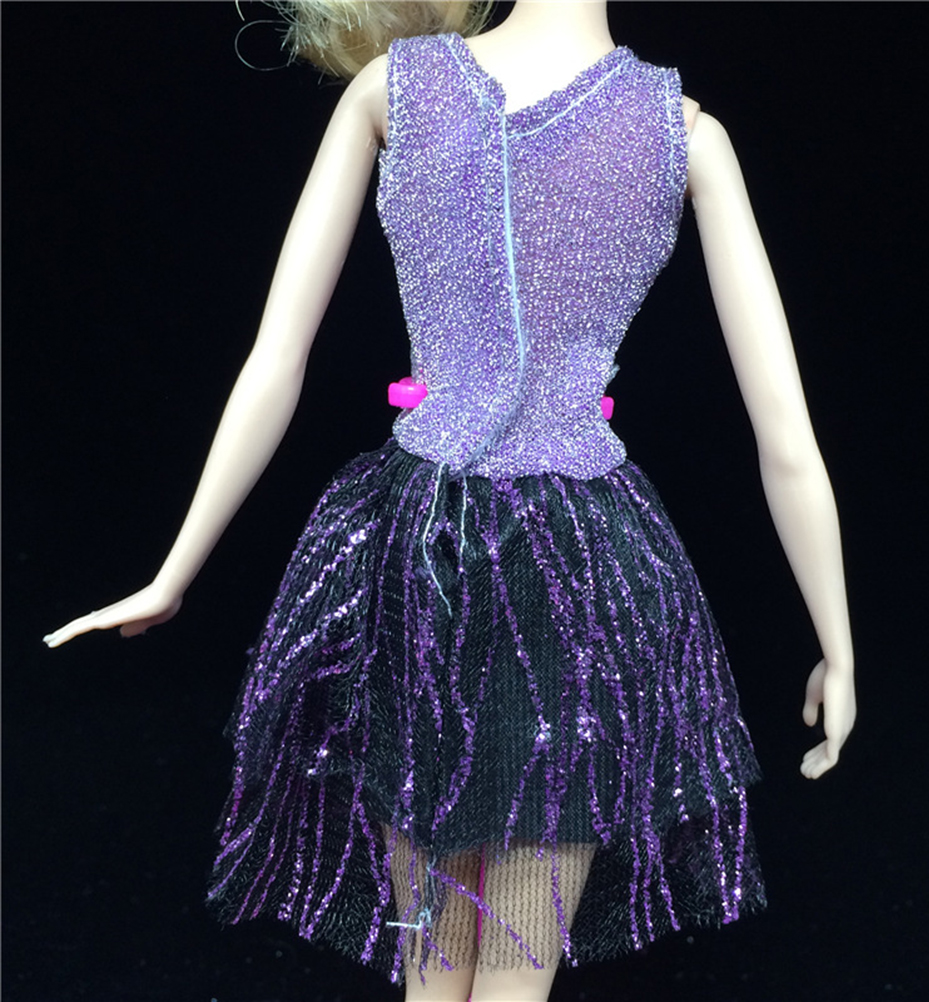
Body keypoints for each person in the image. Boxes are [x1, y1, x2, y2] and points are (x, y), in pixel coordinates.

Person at [44, 2, 856, 999]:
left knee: (441, 970)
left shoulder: (403, 89)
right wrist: (838, 643)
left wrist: (174, 572)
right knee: (486, 971)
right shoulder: (676, 133)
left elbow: (275, 360)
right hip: (564, 564)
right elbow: (787, 439)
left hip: (426, 551)